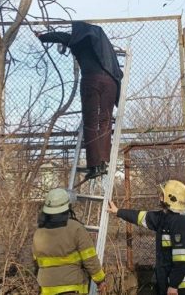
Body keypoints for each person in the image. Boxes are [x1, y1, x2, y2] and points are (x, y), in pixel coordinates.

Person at [35, 22, 123, 180]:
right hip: (110, 83)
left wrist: (42, 36)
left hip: (91, 80)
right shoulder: (104, 46)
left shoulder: (77, 41)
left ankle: (95, 165)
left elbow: (61, 37)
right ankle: (103, 162)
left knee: (90, 123)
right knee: (105, 122)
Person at [107, 180, 185, 295]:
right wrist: (118, 211)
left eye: (162, 194)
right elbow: (141, 217)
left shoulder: (180, 222)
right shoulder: (165, 217)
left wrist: (173, 286)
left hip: (182, 288)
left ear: (171, 198)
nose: (159, 197)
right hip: (169, 283)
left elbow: (182, 260)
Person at [33, 188, 107, 294]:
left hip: (46, 289)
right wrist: (100, 280)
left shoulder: (38, 233)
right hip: (72, 288)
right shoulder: (76, 228)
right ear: (67, 207)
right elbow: (90, 258)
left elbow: (36, 262)